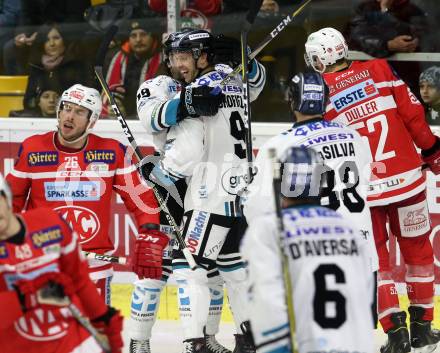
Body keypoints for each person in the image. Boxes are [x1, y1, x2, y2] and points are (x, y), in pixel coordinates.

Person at [305, 27, 440, 353]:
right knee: (419, 253)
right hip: (406, 180)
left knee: (375, 260)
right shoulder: (379, 68)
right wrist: (432, 150)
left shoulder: (318, 91)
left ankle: (395, 335)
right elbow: (413, 114)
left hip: (364, 191)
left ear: (320, 58)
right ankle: (423, 329)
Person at [135, 28, 266, 353]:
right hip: (238, 192)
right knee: (235, 269)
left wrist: (161, 173)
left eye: (183, 57)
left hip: (207, 194)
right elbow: (258, 83)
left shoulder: (201, 88)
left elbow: (188, 151)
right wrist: (244, 62)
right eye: (173, 58)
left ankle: (196, 344)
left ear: (202, 57)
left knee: (188, 266)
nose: (176, 64)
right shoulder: (231, 81)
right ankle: (249, 341)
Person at [6, 83, 166, 305]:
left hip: (93, 267)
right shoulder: (33, 148)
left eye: (79, 112)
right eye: (67, 108)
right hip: (44, 262)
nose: (69, 116)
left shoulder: (111, 152)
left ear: (92, 120)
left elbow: (142, 200)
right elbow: (10, 199)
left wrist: (149, 232)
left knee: (96, 335)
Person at [244, 71, 378, 318]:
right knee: (355, 337)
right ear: (325, 101)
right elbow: (366, 181)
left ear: (291, 100)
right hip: (361, 250)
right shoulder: (355, 137)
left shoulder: (278, 146)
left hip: (312, 254)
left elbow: (258, 209)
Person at [241, 146, 375, 353]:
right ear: (321, 183)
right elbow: (363, 296)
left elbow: (265, 300)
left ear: (282, 183)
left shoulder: (267, 230)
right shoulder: (349, 230)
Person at [0, 173, 124, 353]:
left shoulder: (49, 223)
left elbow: (80, 280)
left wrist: (104, 319)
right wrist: (31, 296)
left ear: (7, 197)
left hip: (72, 342)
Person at [346, 0, 428, 94]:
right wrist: (387, 45)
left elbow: (420, 32)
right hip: (372, 76)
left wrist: (415, 41)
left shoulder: (410, 9)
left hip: (405, 75)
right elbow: (357, 38)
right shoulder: (364, 9)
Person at [22, 23, 93, 111]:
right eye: (47, 40)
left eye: (56, 38)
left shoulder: (78, 65)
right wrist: (39, 102)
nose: (52, 44)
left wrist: (61, 103)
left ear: (65, 40)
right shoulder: (36, 66)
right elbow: (27, 102)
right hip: (40, 119)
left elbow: (87, 100)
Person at [103, 20, 164, 119]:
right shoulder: (116, 58)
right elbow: (109, 90)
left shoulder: (164, 59)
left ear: (153, 37)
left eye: (143, 34)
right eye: (133, 36)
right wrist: (114, 103)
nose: (138, 40)